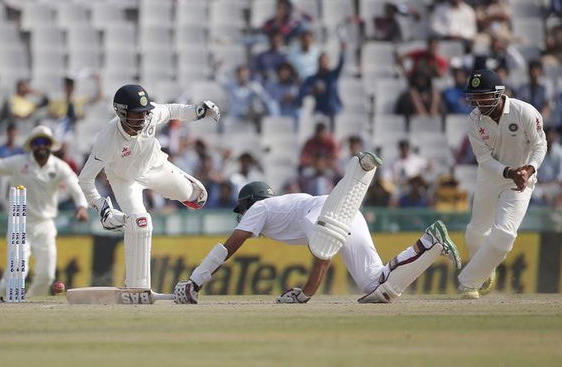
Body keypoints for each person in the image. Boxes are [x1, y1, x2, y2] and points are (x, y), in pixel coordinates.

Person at [172, 152, 460, 304]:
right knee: (376, 286)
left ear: (251, 202)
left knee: (322, 245)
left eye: (243, 208)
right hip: (347, 213)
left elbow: (229, 246)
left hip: (324, 210)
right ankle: (429, 242)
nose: (243, 215)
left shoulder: (259, 208)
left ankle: (358, 167)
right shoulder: (280, 206)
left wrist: (195, 281)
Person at [77, 84, 220, 290]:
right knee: (140, 224)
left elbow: (172, 110)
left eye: (144, 114)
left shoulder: (150, 116)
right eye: (136, 115)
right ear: (122, 113)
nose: (143, 119)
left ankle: (184, 189)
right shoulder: (107, 140)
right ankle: (136, 287)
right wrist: (101, 207)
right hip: (124, 180)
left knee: (198, 197)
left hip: (155, 166)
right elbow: (85, 179)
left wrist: (197, 112)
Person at [457, 69, 547, 299]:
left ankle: (469, 283)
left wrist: (528, 169)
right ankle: (487, 272)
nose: (478, 101)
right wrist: (508, 171)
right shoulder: (474, 119)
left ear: (499, 94)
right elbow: (484, 159)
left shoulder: (524, 111)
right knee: (476, 233)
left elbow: (540, 145)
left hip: (522, 179)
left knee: (505, 234)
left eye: (484, 96)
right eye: (475, 97)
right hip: (491, 176)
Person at [0, 125, 89, 296]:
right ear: (31, 145)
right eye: (37, 142)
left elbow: (75, 186)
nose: (41, 145)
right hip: (20, 224)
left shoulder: (59, 166)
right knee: (16, 273)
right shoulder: (19, 162)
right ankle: (2, 298)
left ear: (50, 145)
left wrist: (81, 206)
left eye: (45, 142)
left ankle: (30, 305)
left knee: (46, 276)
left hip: (45, 225)